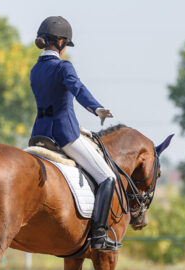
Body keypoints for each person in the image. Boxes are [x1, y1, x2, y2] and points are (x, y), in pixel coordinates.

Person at [30, 16, 120, 251]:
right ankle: (99, 235)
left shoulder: (35, 70)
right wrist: (96, 108)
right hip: (64, 135)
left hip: (39, 134)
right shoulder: (63, 67)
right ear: (60, 41)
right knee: (107, 177)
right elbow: (77, 89)